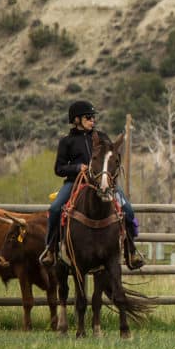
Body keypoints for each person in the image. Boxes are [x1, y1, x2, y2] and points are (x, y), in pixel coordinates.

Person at [39, 100, 145, 271]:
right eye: (88, 117)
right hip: (76, 182)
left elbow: (112, 157)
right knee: (55, 209)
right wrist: (76, 167)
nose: (92, 120)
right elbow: (59, 169)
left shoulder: (102, 137)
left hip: (104, 182)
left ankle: (131, 251)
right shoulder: (66, 142)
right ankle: (51, 249)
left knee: (128, 210)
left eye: (93, 117)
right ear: (76, 120)